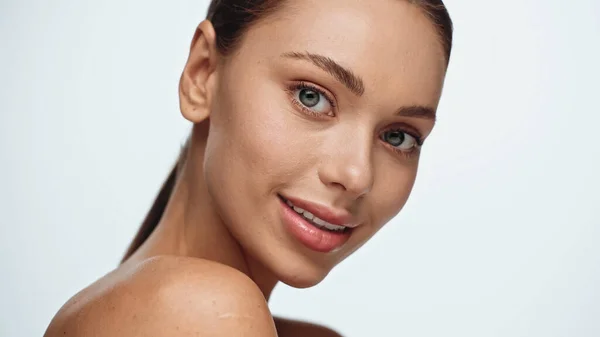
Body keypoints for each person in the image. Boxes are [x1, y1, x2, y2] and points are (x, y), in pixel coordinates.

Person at [44, 0, 453, 335]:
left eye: (399, 137)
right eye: (311, 97)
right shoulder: (207, 314)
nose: (357, 175)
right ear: (202, 73)